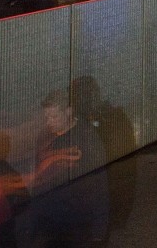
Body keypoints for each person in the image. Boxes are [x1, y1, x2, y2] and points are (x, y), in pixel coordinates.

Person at [27, 90, 109, 247]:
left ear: (69, 111)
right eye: (47, 117)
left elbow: (100, 182)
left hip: (78, 220)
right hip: (50, 222)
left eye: (54, 116)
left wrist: (99, 229)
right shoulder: (44, 138)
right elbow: (39, 178)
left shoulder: (86, 138)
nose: (49, 122)